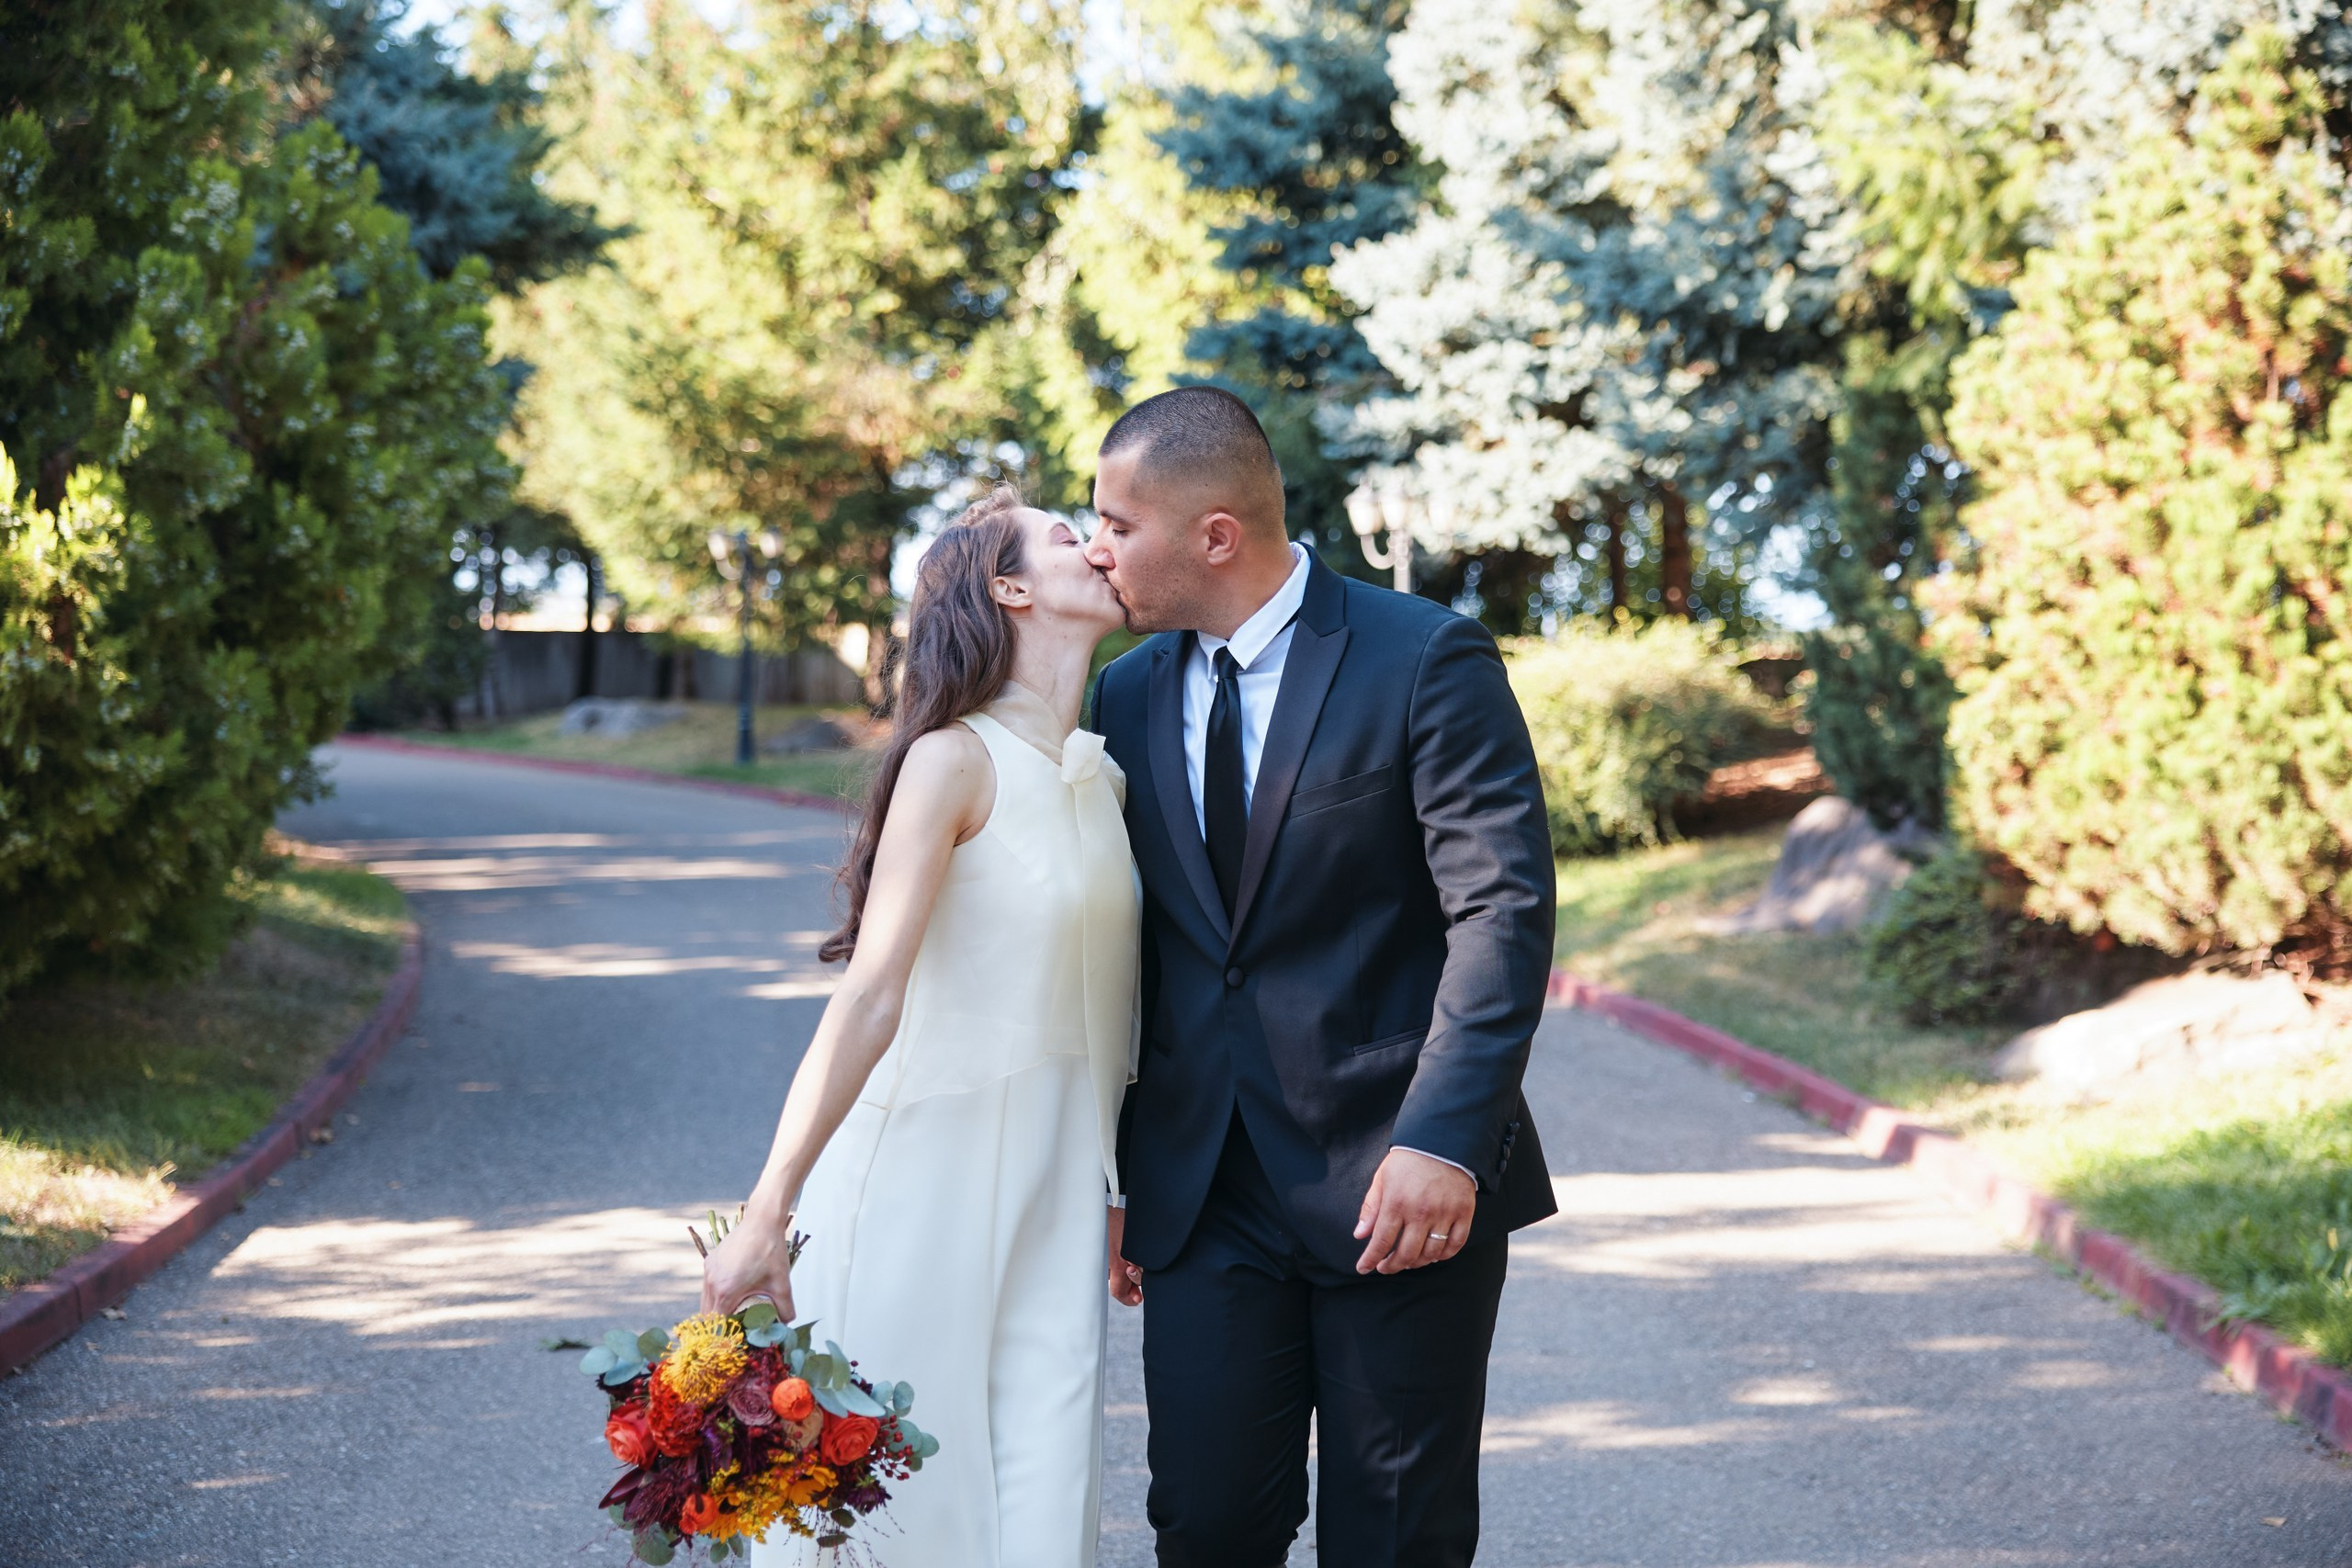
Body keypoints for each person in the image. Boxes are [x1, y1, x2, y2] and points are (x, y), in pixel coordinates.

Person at [1085, 387, 1558, 1568]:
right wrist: (1115, 1169)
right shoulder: (1127, 692)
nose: (1095, 549)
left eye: (1115, 522)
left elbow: (1500, 912)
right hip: (1201, 1197)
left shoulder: (1424, 656)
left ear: (1214, 535)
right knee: (1203, 1523)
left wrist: (1446, 1142)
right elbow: (1133, 950)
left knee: (1395, 1537)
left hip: (1397, 1183)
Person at [699, 486, 1140, 1568]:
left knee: (1048, 1506)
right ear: (1010, 588)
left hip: (1058, 1195)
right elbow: (871, 990)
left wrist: (1123, 1184)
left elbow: (1115, 1005)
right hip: (917, 1178)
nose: (1099, 547)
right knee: (903, 1514)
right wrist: (769, 1207)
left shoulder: (1103, 778)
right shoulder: (953, 760)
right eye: (1065, 535)